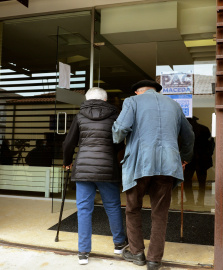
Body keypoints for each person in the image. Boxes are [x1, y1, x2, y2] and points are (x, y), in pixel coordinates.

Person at [112, 80, 195, 270]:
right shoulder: (173, 105)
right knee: (160, 213)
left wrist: (116, 137)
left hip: (139, 164)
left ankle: (137, 253)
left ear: (137, 92)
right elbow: (189, 134)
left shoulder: (132, 101)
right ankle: (154, 260)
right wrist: (184, 158)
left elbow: (120, 130)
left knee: (133, 209)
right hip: (168, 165)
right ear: (157, 91)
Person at [62, 87, 128, 265]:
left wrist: (67, 161)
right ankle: (119, 244)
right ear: (105, 100)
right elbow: (119, 142)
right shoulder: (116, 116)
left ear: (87, 99)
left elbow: (69, 143)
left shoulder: (80, 116)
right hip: (107, 168)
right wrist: (110, 153)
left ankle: (83, 252)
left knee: (84, 209)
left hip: (83, 168)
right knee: (112, 206)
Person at [183, 116, 215, 206]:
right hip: (202, 159)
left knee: (187, 180)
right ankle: (200, 201)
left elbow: (184, 146)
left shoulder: (186, 131)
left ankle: (190, 200)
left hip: (190, 160)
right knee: (201, 182)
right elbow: (211, 144)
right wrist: (208, 155)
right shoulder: (204, 129)